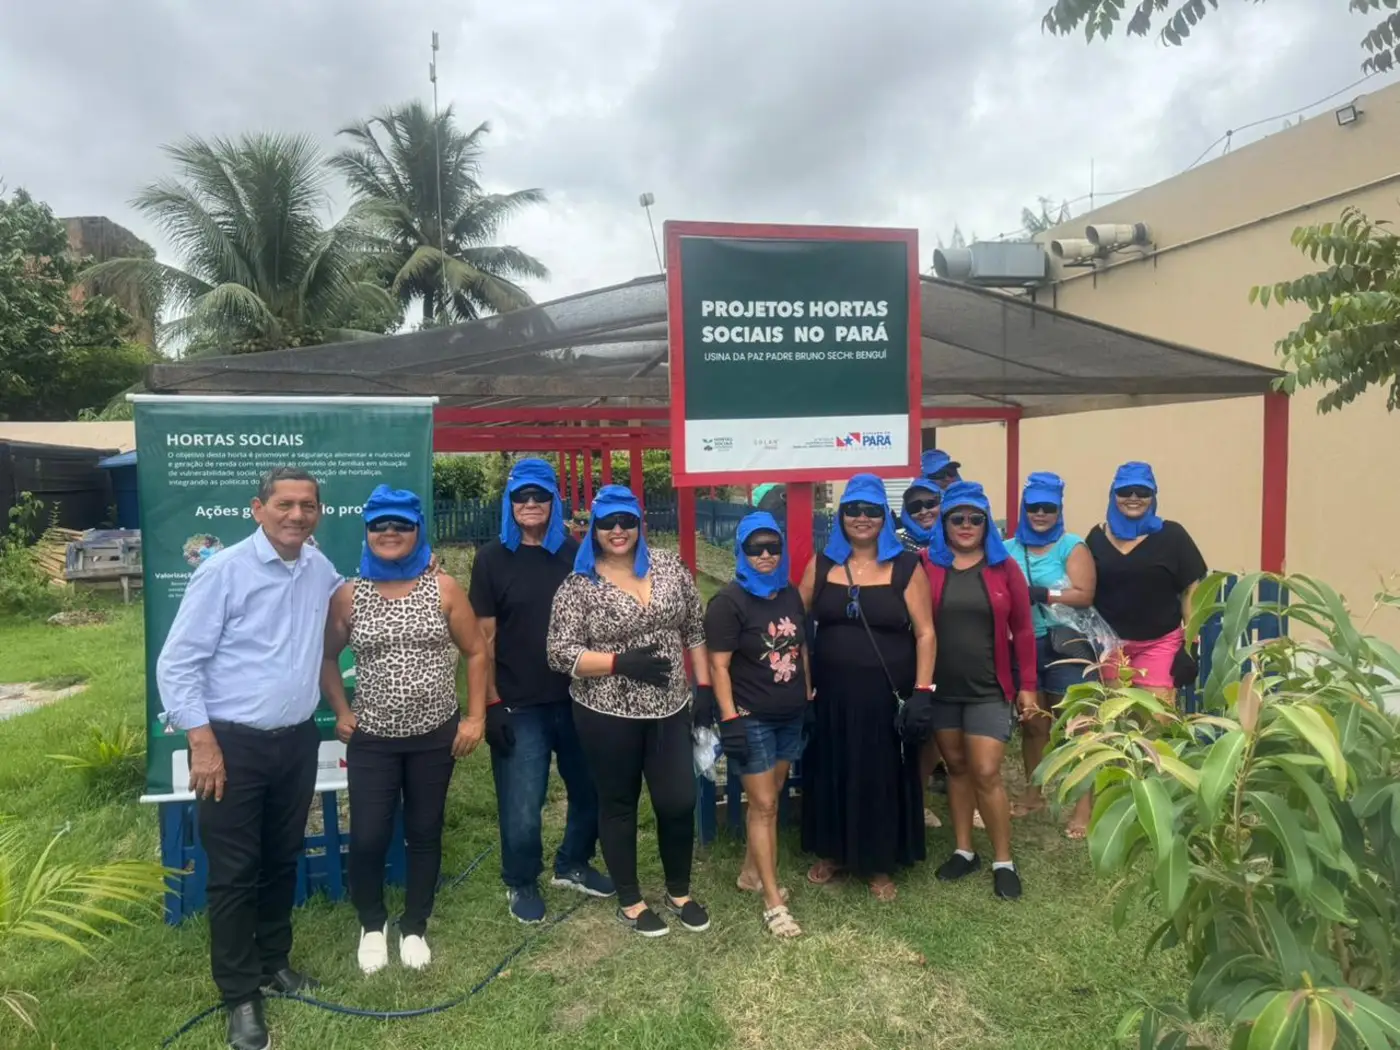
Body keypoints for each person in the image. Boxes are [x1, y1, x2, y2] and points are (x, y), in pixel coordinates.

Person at [156, 467, 341, 1050]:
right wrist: (202, 742)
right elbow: (177, 663)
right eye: (284, 504)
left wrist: (420, 573)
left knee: (281, 858)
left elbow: (351, 603)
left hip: (296, 740)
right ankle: (240, 994)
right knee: (235, 872)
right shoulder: (223, 572)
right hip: (231, 745)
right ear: (258, 509)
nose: (297, 515)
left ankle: (274, 962)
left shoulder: (318, 568)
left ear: (318, 512)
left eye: (307, 505)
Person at [320, 486, 489, 975]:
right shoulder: (349, 595)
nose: (390, 532)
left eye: (401, 524)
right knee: (369, 836)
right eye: (380, 525)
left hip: (434, 735)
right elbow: (327, 658)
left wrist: (475, 717)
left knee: (424, 830)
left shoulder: (444, 589)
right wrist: (340, 708)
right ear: (367, 532)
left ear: (417, 531)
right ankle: (372, 924)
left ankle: (415, 924)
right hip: (372, 737)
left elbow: (477, 651)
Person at [546, 485, 712, 937]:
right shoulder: (579, 585)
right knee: (619, 803)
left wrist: (704, 688)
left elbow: (695, 629)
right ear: (594, 529)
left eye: (626, 521)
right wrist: (619, 663)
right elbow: (559, 653)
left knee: (678, 799)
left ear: (640, 524)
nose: (617, 530)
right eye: (607, 523)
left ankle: (679, 892)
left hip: (669, 706)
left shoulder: (670, 567)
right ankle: (631, 901)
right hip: (606, 710)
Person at [468, 459, 613, 925]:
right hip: (519, 702)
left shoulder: (577, 554)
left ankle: (573, 862)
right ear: (509, 503)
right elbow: (483, 641)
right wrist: (490, 703)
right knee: (522, 803)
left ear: (554, 501)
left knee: (589, 789)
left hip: (580, 696)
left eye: (539, 496)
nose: (530, 503)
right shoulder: (491, 559)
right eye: (521, 496)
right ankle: (521, 879)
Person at [799, 474, 936, 901]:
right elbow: (794, 625)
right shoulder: (822, 565)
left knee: (879, 775)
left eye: (872, 510)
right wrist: (805, 689)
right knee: (833, 769)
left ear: (885, 516)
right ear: (841, 515)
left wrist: (922, 692)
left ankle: (878, 862)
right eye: (853, 509)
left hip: (884, 699)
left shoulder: (907, 568)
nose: (862, 518)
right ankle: (833, 851)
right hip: (832, 696)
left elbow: (926, 633)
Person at [922, 481, 1038, 900]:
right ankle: (964, 850)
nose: (966, 525)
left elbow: (1023, 630)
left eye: (976, 518)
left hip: (989, 688)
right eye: (958, 518)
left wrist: (1028, 686)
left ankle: (1003, 860)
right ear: (944, 522)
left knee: (986, 771)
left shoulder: (1004, 567)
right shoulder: (926, 565)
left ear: (987, 523)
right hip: (942, 689)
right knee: (956, 767)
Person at [703, 512, 811, 937]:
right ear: (741, 551)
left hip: (790, 714)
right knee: (764, 805)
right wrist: (729, 718)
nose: (765, 555)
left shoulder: (790, 594)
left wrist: (808, 695)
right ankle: (773, 902)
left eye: (773, 546)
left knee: (773, 797)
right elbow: (719, 666)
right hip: (752, 718)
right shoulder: (728, 603)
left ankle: (750, 874)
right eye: (755, 548)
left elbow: (801, 649)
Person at [1002, 472, 1099, 837]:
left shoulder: (1071, 546)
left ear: (1059, 510)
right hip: (1024, 644)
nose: (1040, 514)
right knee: (1033, 724)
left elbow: (1084, 594)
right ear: (1024, 510)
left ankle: (1085, 806)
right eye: (1034, 507)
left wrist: (1042, 594)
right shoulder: (1008, 548)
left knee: (1079, 726)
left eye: (1048, 508)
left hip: (1065, 644)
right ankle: (1034, 793)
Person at [1086, 462, 1207, 702]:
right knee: (1115, 717)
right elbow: (1085, 589)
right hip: (1109, 646)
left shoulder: (1173, 535)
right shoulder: (1096, 538)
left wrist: (1191, 644)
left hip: (1159, 643)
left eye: (1142, 492)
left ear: (1153, 496)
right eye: (1125, 491)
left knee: (1156, 717)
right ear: (1113, 494)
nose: (1133, 498)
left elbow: (1191, 591)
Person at [897, 476, 947, 829]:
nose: (925, 511)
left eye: (931, 503)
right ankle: (917, 801)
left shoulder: (958, 537)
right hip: (912, 644)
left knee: (952, 729)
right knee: (920, 729)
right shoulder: (896, 545)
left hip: (955, 642)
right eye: (915, 506)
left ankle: (970, 798)